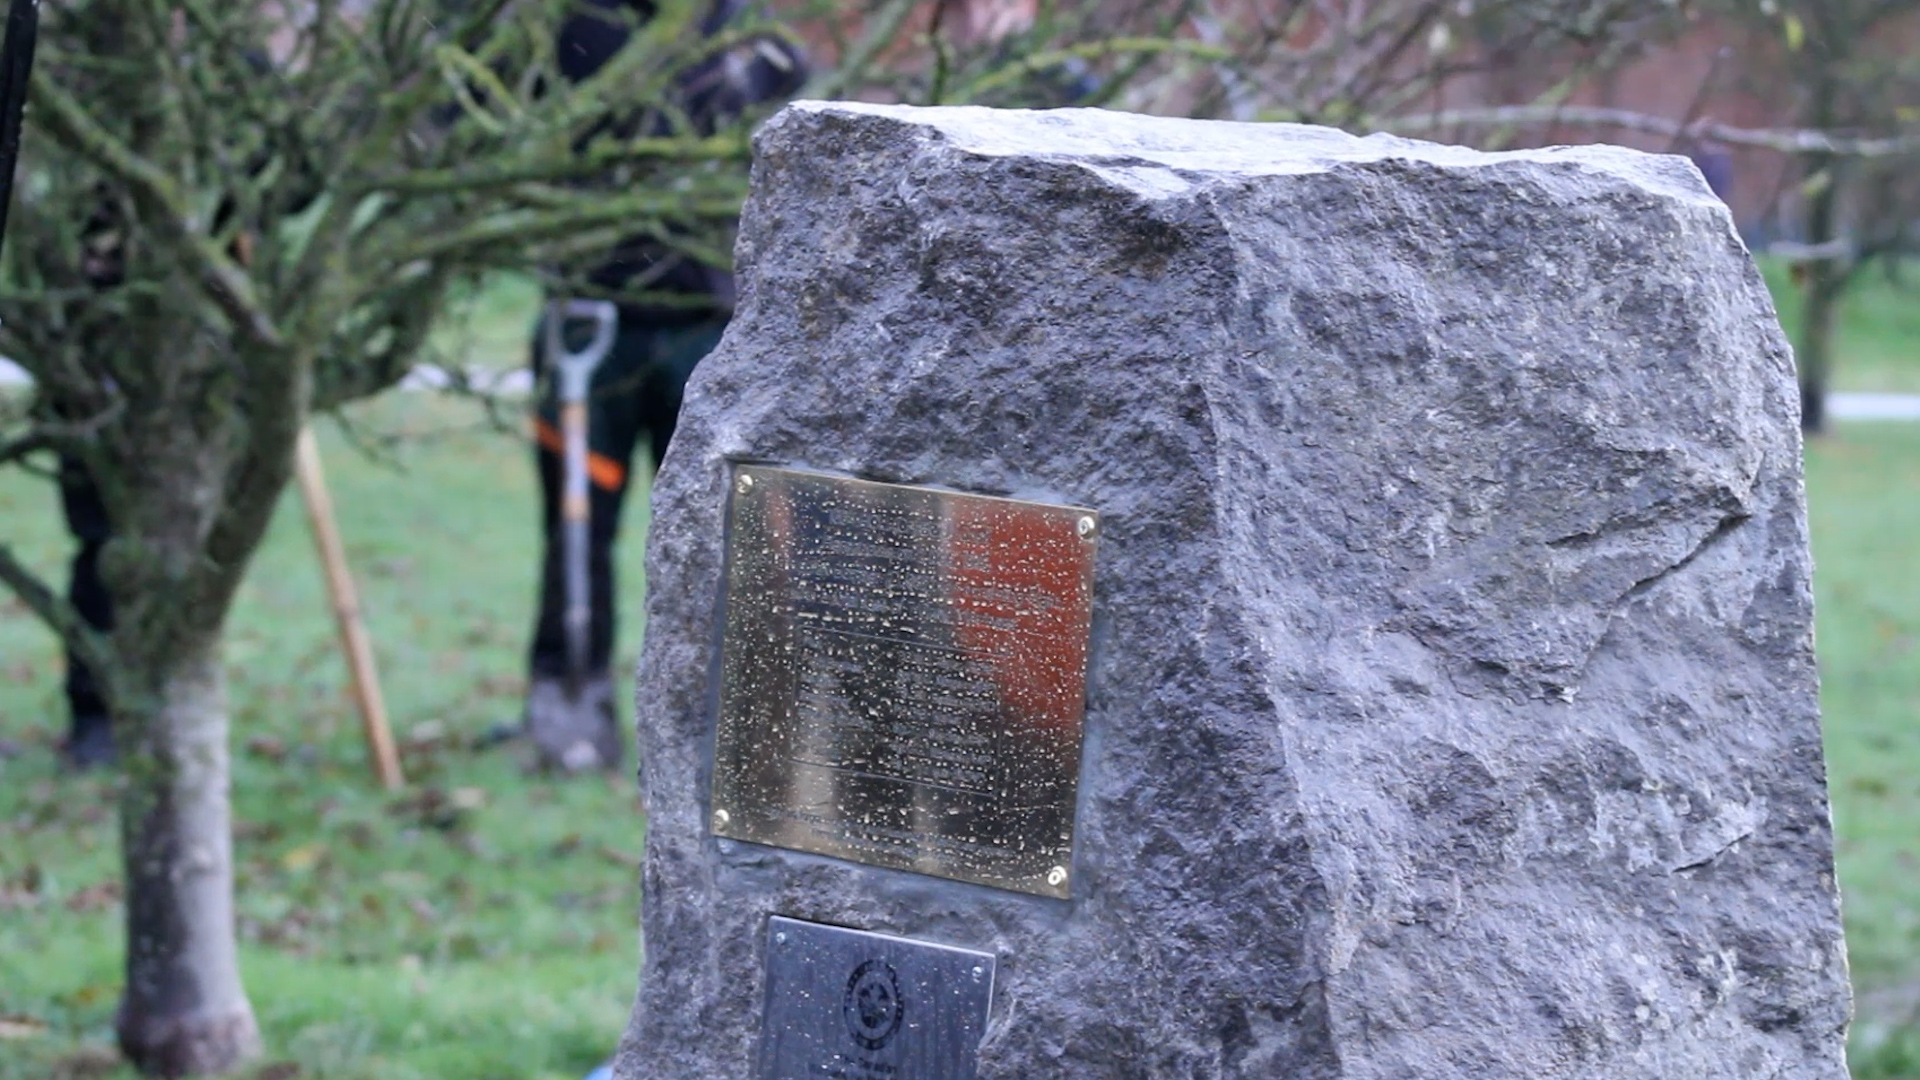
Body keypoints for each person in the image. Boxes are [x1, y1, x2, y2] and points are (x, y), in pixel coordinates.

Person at [519, 0, 807, 772]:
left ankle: (730, 724)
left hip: (704, 322)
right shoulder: (570, 21)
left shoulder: (735, 24)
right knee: (576, 525)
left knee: (728, 536)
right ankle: (568, 702)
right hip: (591, 314)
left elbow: (791, 73)